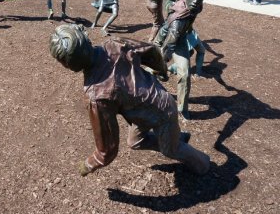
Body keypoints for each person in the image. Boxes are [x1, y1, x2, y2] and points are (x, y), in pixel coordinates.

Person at [49, 24, 210, 177]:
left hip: (161, 112)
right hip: (146, 108)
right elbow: (151, 51)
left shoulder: (97, 94)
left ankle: (203, 163)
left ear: (69, 65)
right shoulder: (113, 44)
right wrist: (161, 69)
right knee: (135, 142)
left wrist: (87, 165)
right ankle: (175, 136)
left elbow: (107, 150)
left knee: (171, 150)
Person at [155, 0, 209, 120]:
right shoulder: (178, 19)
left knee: (184, 75)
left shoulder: (196, 5)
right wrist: (162, 67)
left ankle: (181, 109)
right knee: (155, 67)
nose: (196, 1)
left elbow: (191, 17)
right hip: (168, 40)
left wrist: (190, 32)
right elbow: (169, 45)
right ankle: (141, 80)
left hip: (183, 35)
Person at [161, 0, 206, 79]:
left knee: (199, 50)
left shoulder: (197, 5)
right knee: (188, 54)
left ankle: (197, 73)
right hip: (180, 32)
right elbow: (170, 40)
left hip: (189, 31)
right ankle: (169, 68)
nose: (195, 1)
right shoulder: (175, 9)